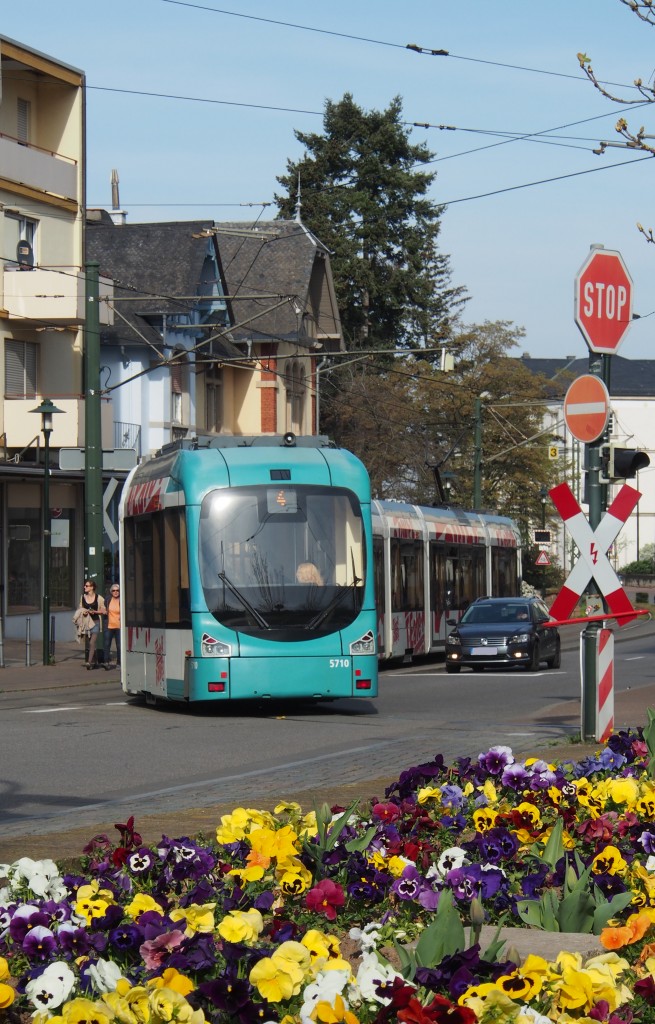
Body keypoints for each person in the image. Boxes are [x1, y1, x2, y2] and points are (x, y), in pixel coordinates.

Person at [79, 579, 105, 669]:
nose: (84, 587)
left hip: (96, 622)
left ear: (92, 587)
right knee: (90, 643)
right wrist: (84, 612)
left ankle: (89, 662)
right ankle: (95, 661)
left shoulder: (99, 598)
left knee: (92, 642)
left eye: (87, 586)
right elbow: (80, 609)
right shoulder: (82, 597)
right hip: (86, 623)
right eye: (85, 586)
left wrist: (95, 611)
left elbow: (104, 610)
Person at [103, 582, 121, 670]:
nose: (115, 592)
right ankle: (106, 662)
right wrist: (104, 611)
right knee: (107, 644)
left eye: (117, 590)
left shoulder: (122, 600)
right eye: (113, 591)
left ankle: (119, 663)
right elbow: (103, 608)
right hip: (109, 625)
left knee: (119, 645)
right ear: (111, 592)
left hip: (119, 626)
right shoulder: (108, 599)